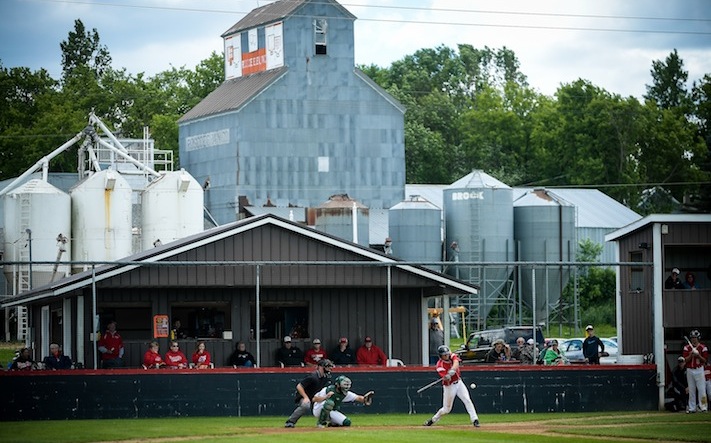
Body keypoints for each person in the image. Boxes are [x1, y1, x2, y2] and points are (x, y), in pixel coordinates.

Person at [424, 345, 480, 427]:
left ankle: (475, 419)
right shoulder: (439, 365)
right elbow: (446, 379)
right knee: (446, 409)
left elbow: (456, 362)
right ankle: (433, 420)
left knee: (467, 400)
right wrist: (447, 377)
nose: (447, 356)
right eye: (444, 355)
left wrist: (452, 370)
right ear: (441, 356)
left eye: (447, 354)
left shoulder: (452, 356)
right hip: (449, 386)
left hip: (459, 382)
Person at [284, 358, 334, 428]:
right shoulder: (313, 377)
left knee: (329, 403)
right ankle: (290, 422)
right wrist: (305, 397)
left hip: (314, 397)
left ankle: (329, 421)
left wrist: (325, 397)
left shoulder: (326, 378)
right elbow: (299, 386)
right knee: (305, 405)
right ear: (320, 367)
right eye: (327, 366)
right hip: (304, 396)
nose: (329, 368)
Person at [682, 329, 708, 413]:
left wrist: (698, 355)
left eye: (695, 337)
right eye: (692, 337)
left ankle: (703, 407)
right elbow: (685, 360)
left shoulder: (703, 348)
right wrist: (691, 354)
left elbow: (705, 360)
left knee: (702, 390)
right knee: (691, 390)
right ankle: (692, 408)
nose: (693, 339)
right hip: (690, 370)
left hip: (699, 369)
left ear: (698, 338)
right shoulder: (687, 348)